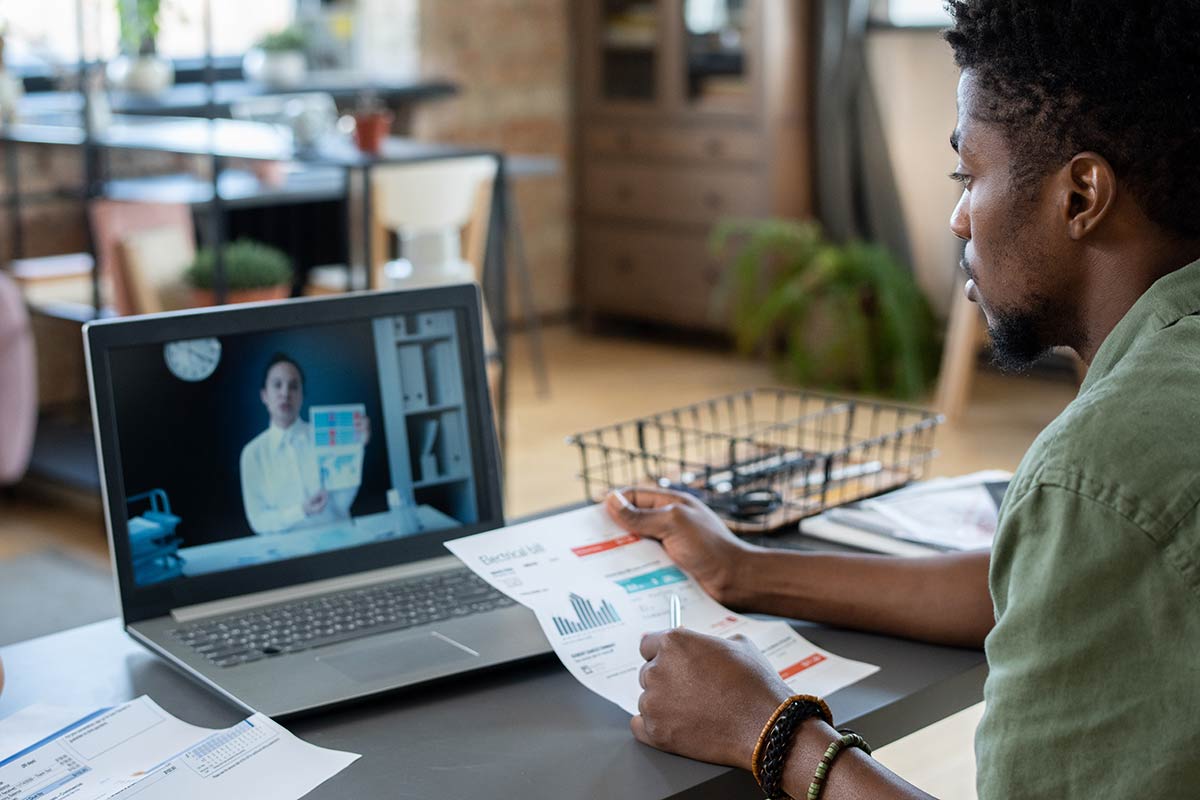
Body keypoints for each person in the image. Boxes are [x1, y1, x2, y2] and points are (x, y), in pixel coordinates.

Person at [605, 2, 1200, 798]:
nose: (959, 216)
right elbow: (1029, 584)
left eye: (970, 175)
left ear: (1081, 195)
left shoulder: (1099, 473)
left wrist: (769, 730)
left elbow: (1091, 529)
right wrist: (745, 571)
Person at [240, 352, 370, 535]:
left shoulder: (325, 435)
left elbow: (342, 504)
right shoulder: (253, 453)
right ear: (264, 395)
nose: (285, 393)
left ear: (302, 395)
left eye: (293, 386)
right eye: (277, 385)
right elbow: (258, 521)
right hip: (287, 553)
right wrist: (301, 511)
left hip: (337, 539)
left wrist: (356, 449)